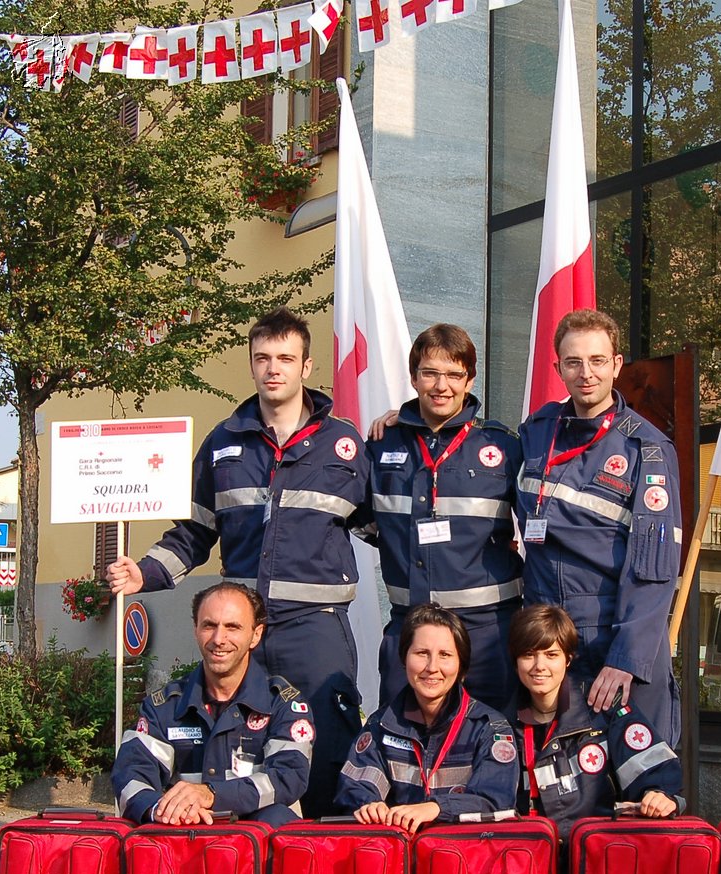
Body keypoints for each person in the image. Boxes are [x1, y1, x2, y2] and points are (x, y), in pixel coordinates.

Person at [106, 307, 367, 818]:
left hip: (315, 630)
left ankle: (322, 858)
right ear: (251, 365)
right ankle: (238, 856)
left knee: (328, 743)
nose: (274, 368)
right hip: (242, 627)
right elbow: (195, 529)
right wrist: (147, 572)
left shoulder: (345, 444)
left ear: (306, 367)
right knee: (235, 747)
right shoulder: (222, 443)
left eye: (286, 358)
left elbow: (386, 525)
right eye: (263, 357)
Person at [514, 308, 684, 748]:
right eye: (573, 362)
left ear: (617, 364)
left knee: (638, 787)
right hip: (550, 644)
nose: (585, 373)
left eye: (597, 361)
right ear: (558, 368)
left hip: (616, 638)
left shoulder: (646, 448)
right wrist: (404, 421)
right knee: (560, 785)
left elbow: (655, 567)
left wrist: (626, 659)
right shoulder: (536, 433)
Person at [362, 324, 523, 709]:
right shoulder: (383, 445)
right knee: (402, 744)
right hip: (410, 628)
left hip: (488, 632)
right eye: (430, 373)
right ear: (414, 377)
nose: (441, 385)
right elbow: (362, 520)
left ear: (470, 380)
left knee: (495, 743)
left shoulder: (502, 445)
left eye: (454, 374)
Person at [111, 582, 311, 827]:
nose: (219, 639)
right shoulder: (164, 707)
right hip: (185, 838)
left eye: (232, 627)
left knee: (282, 823)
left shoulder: (282, 704)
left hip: (256, 846)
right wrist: (161, 810)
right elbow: (130, 776)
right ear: (196, 629)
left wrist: (212, 795)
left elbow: (288, 777)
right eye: (209, 625)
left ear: (255, 635)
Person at [335, 605, 519, 832]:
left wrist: (437, 808)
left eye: (445, 655)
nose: (432, 667)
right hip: (400, 856)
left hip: (466, 857)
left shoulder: (490, 729)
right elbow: (354, 786)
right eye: (422, 653)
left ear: (462, 666)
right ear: (404, 659)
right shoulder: (380, 726)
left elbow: (495, 800)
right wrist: (368, 806)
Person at [507, 604, 683, 839]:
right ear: (515, 660)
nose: (540, 666)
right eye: (529, 655)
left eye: (551, 655)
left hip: (596, 855)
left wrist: (660, 794)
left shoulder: (604, 709)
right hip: (529, 857)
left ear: (568, 659)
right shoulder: (501, 724)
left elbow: (654, 766)